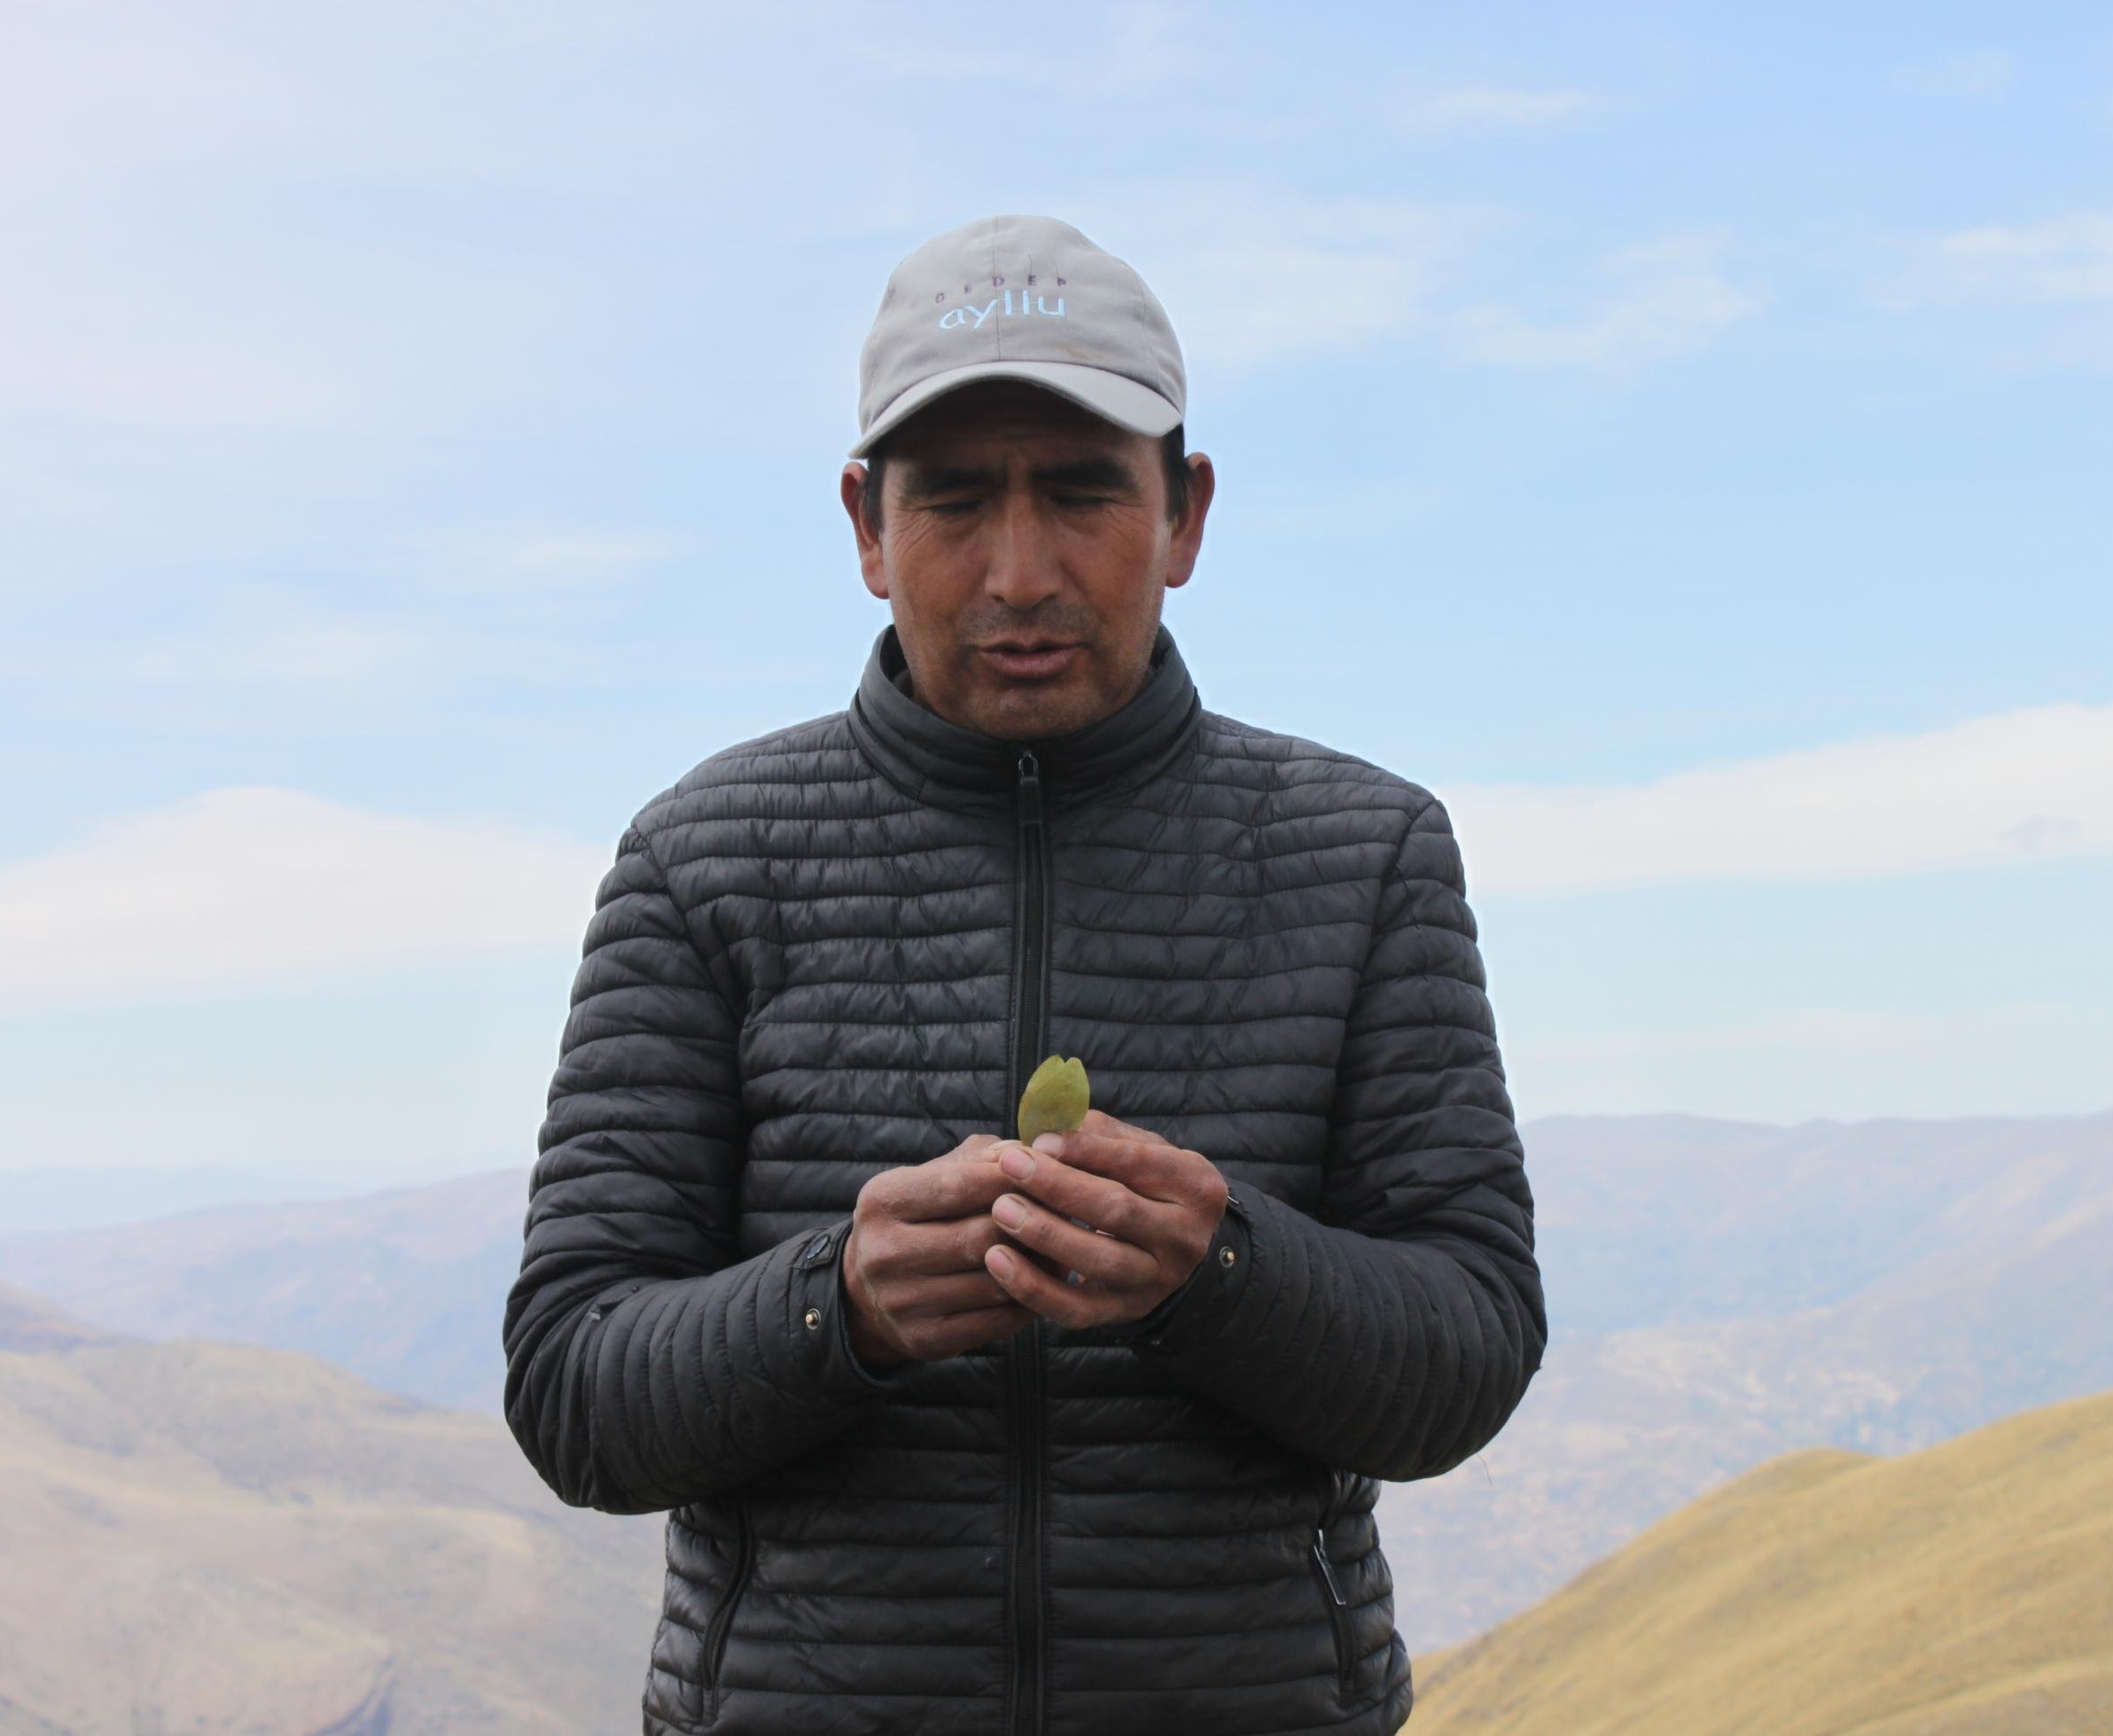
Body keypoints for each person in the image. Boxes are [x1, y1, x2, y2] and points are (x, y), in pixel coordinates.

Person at [503, 213, 1545, 1736]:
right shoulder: (703, 859)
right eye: (954, 502)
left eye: (1080, 494)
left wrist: (1220, 1271)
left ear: (1183, 515)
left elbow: (1469, 1346)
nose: (1019, 571)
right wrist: (836, 1306)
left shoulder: (1361, 853)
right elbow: (575, 1392)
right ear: (867, 527)